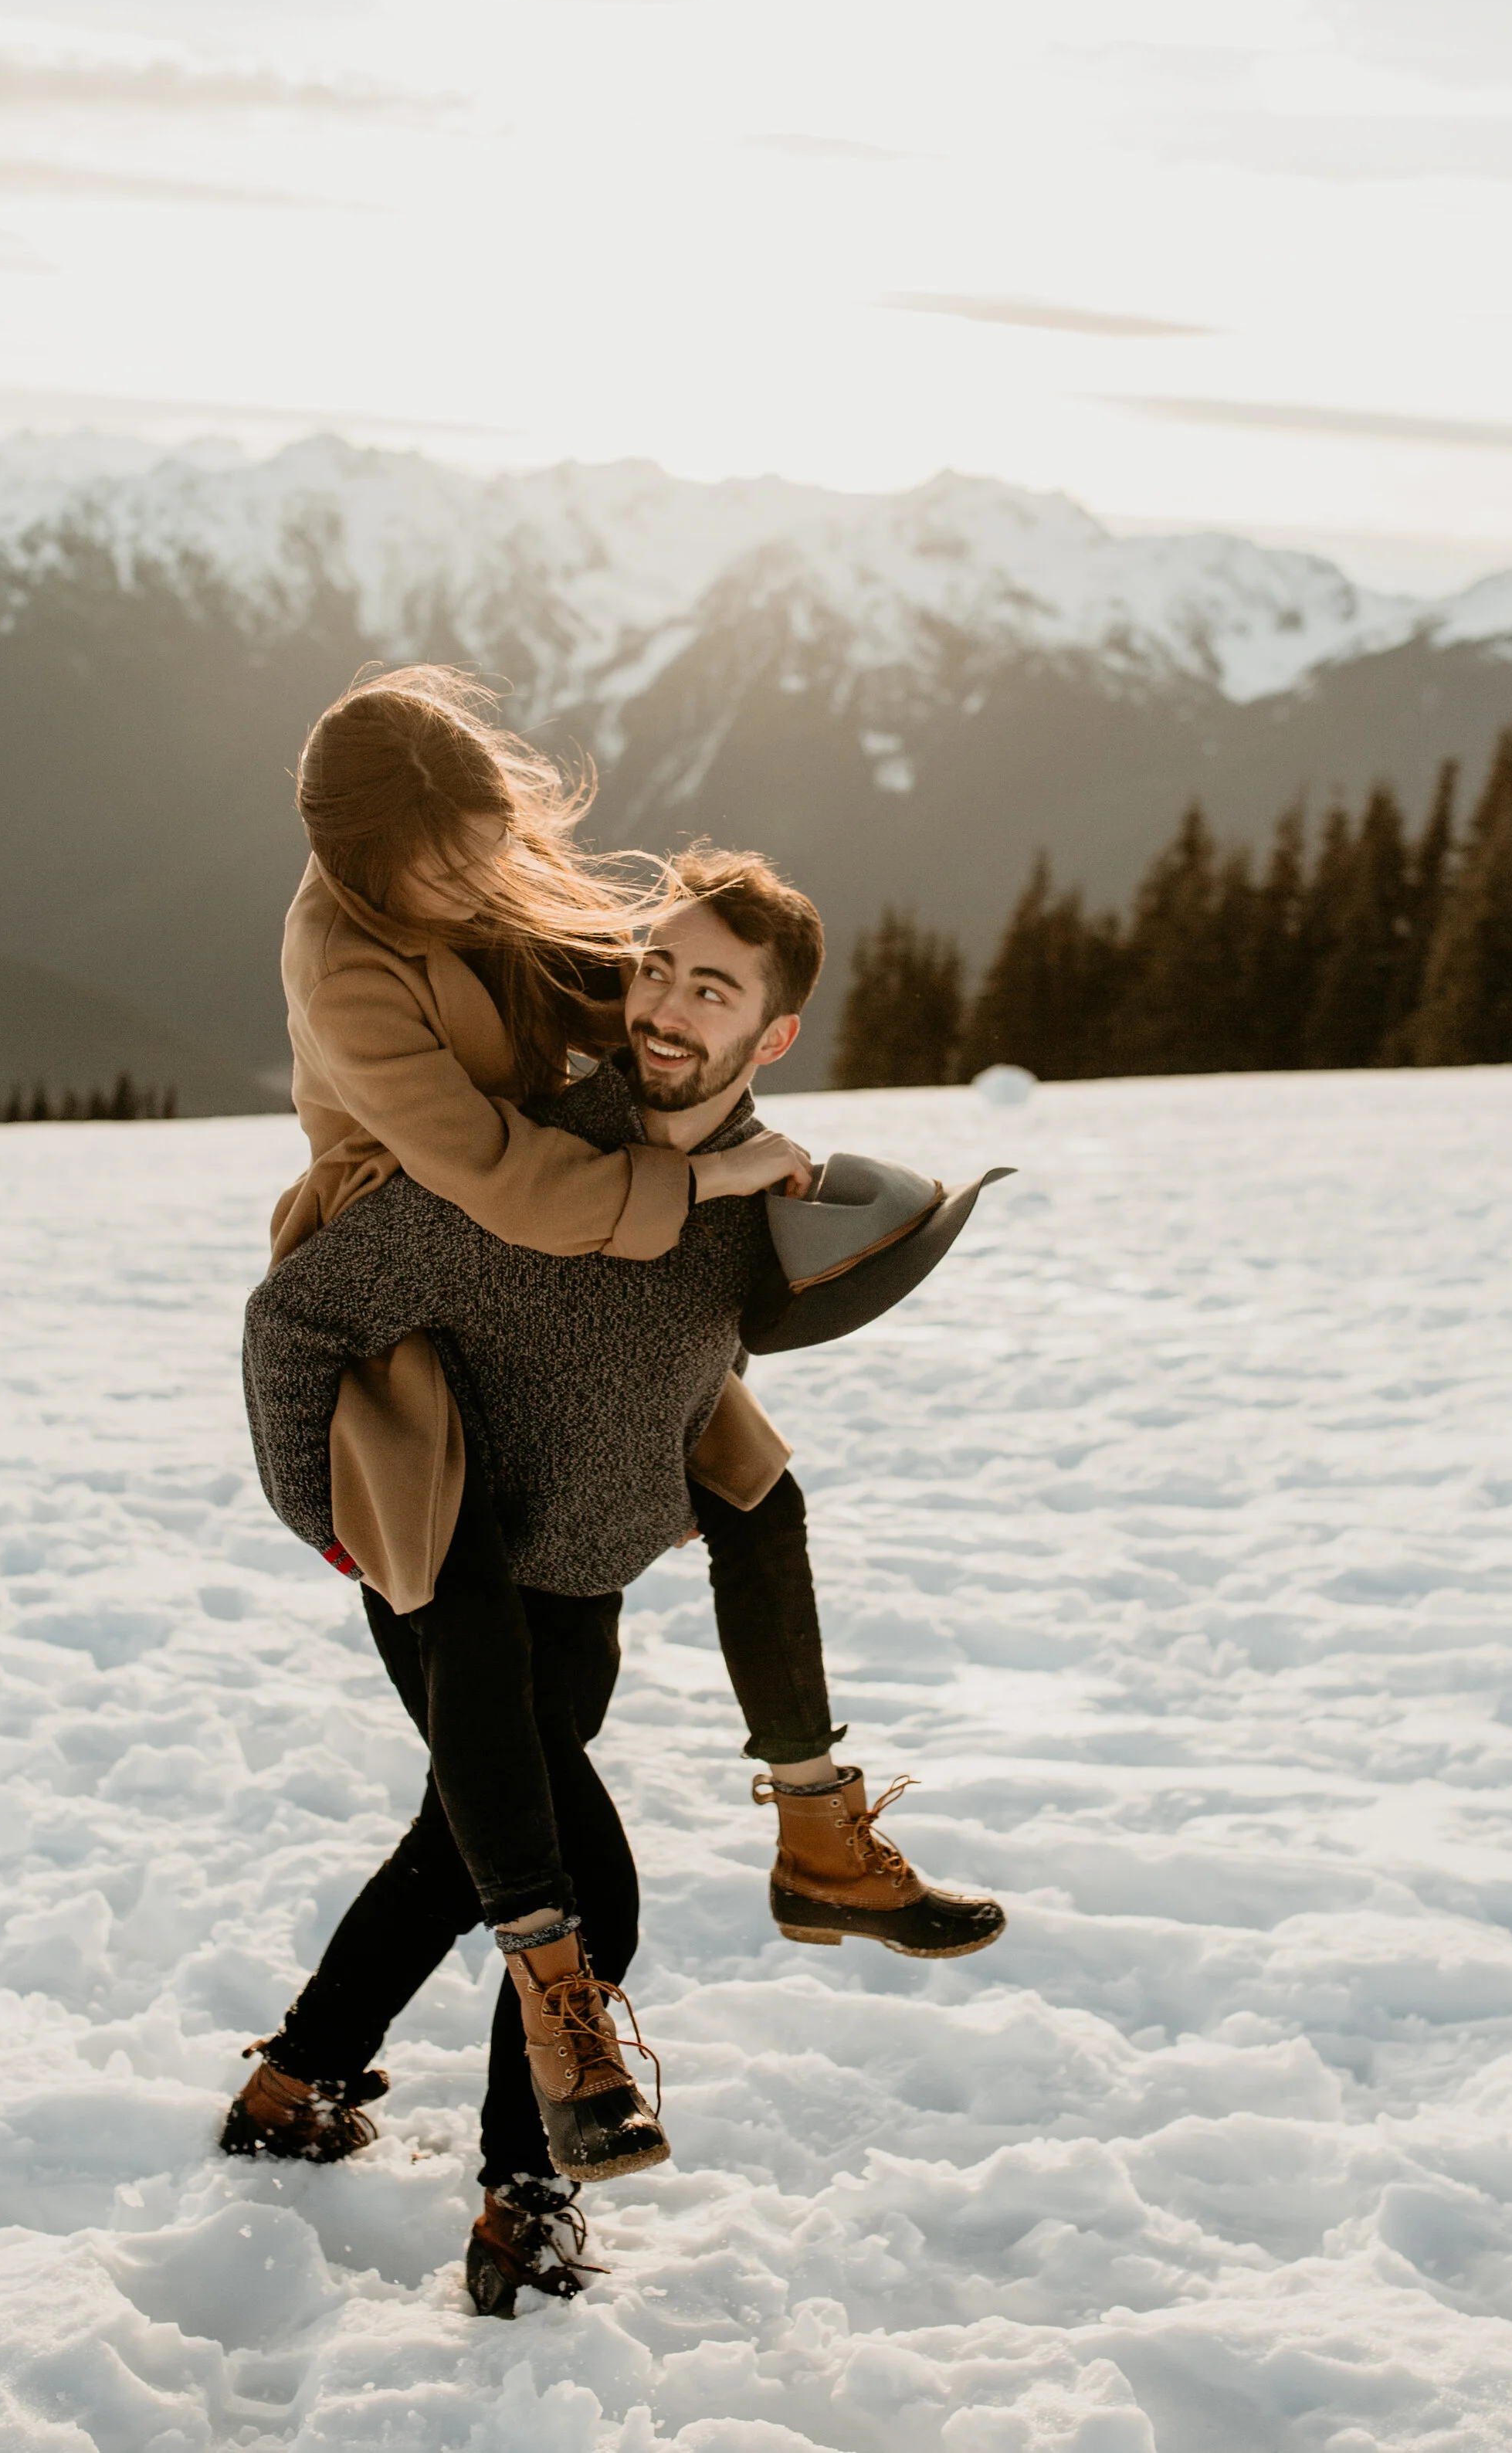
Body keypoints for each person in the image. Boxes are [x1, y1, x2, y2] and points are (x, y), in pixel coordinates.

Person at [232, 843, 1006, 2313]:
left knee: (455, 1854)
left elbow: (723, 1364)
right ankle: (525, 2205)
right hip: (444, 1581)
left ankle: (292, 2085)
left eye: (711, 988)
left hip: (587, 1588)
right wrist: (323, 1519)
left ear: (769, 1036)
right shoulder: (518, 1162)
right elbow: (296, 1320)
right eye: (654, 966)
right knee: (591, 1897)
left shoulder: (757, 1201)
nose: (666, 1003)